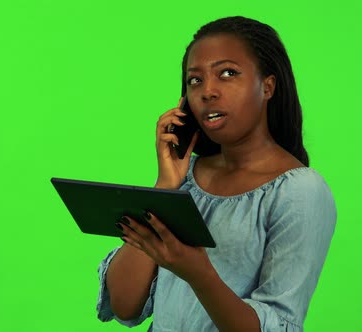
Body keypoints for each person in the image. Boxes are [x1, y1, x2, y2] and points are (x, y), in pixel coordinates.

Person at [96, 16, 336, 332]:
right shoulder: (185, 178)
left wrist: (198, 273)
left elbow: (278, 325)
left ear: (267, 86)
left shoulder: (301, 191)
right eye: (195, 80)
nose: (207, 91)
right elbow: (126, 304)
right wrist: (164, 186)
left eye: (227, 74)